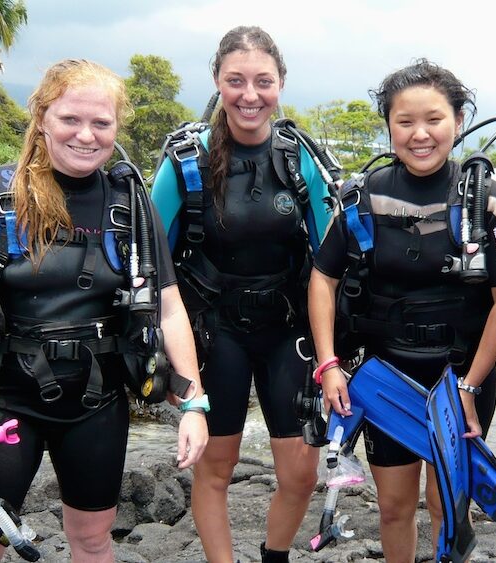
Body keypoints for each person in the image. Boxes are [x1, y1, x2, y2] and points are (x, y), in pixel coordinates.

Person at [0, 59, 208, 561]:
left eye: (101, 123)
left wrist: (194, 404)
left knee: (94, 540)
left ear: (116, 127)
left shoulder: (130, 203)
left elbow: (169, 309)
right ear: (43, 118)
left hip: (96, 405)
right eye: (71, 119)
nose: (86, 135)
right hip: (5, 403)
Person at [309, 59, 496, 562]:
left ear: (459, 118)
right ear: (388, 125)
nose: (420, 134)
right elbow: (323, 278)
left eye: (434, 119)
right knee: (393, 506)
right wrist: (328, 364)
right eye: (405, 122)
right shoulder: (361, 198)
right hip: (386, 374)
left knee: (450, 503)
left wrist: (471, 385)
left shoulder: (486, 202)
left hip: (462, 377)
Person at [151, 26, 321, 563]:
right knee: (216, 466)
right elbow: (153, 265)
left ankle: (275, 557)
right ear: (218, 83)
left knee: (300, 472)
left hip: (287, 329)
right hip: (213, 330)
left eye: (263, 81)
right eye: (236, 81)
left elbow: (332, 258)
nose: (251, 94)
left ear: (281, 85)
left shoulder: (298, 160)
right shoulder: (185, 162)